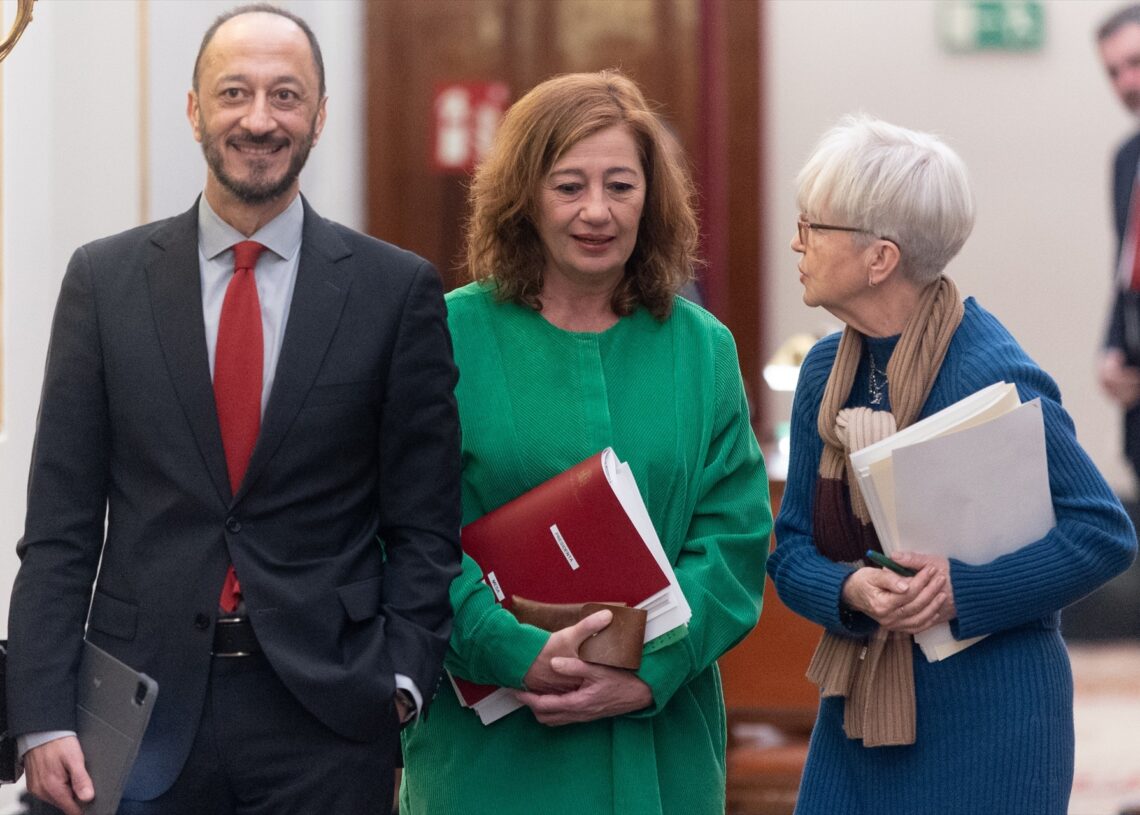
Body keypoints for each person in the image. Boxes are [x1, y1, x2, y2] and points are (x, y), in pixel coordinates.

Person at [6, 5, 462, 814]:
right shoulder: (104, 283)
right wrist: (40, 715)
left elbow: (425, 524)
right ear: (193, 111)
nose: (259, 119)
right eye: (234, 93)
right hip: (130, 719)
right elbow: (59, 529)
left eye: (286, 96)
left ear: (319, 117)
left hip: (328, 719)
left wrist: (399, 679)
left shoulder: (395, 294)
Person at [398, 70, 772, 815]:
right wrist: (514, 651)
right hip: (491, 756)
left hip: (658, 747)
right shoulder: (446, 334)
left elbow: (733, 540)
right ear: (525, 197)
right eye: (568, 185)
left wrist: (647, 672)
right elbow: (409, 532)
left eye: (620, 186)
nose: (596, 211)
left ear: (651, 198)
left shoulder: (702, 348)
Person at [768, 114, 1137, 814]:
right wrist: (852, 592)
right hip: (858, 716)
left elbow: (1103, 531)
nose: (797, 241)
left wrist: (958, 590)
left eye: (814, 226)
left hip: (994, 719)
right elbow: (790, 551)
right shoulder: (825, 371)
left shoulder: (988, 373)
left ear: (880, 258)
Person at [1097, 4, 1140, 486]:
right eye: (1113, 72)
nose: (1126, 83)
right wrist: (1112, 348)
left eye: (1135, 63)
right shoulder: (1127, 159)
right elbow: (1125, 270)